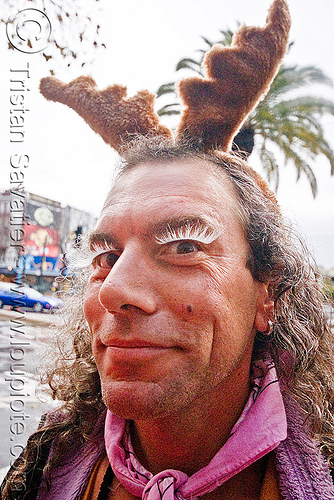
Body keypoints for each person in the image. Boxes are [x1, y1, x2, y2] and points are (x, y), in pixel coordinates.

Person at [2, 1, 334, 498]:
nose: (114, 290)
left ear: (269, 295)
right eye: (105, 257)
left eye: (184, 245)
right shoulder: (46, 463)